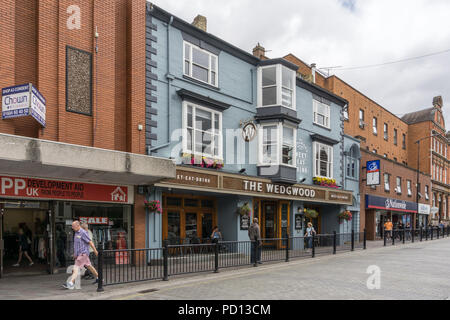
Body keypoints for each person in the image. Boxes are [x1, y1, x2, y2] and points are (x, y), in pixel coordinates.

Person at [63, 221, 99, 290]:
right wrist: (75, 254)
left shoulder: (83, 232)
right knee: (89, 266)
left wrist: (95, 251)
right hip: (79, 255)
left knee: (75, 268)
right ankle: (99, 278)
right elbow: (76, 245)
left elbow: (90, 242)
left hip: (83, 254)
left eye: (73, 226)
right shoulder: (76, 233)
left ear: (78, 225)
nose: (72, 228)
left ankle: (70, 283)